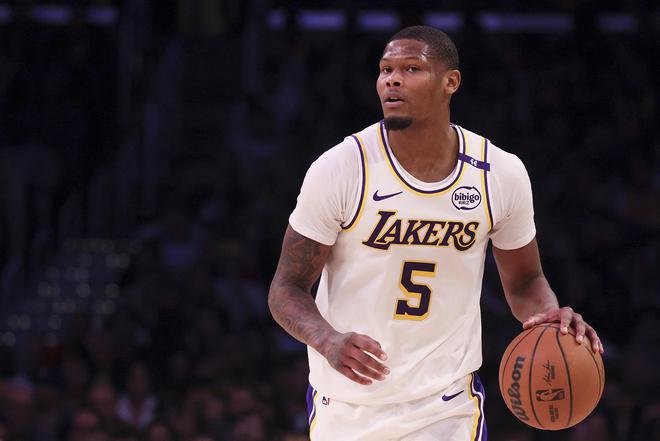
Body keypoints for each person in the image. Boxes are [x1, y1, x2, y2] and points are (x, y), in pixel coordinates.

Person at [268, 25, 604, 441]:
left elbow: (525, 281)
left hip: (447, 407)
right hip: (348, 405)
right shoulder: (342, 168)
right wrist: (326, 339)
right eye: (386, 69)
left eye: (411, 68)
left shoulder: (499, 174)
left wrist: (549, 318)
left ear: (451, 82)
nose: (392, 79)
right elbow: (286, 288)